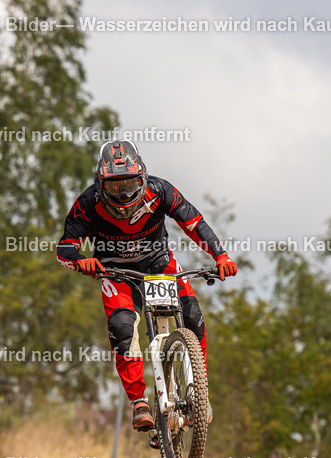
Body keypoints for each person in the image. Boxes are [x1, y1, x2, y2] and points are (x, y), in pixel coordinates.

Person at [56, 140, 237, 429]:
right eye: (115, 186)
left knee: (193, 316)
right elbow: (64, 247)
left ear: (143, 177)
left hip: (159, 264)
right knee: (122, 327)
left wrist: (220, 254)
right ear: (100, 184)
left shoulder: (160, 190)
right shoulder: (87, 203)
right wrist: (81, 261)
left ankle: (199, 391)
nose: (124, 192)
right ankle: (138, 401)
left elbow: (194, 223)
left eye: (130, 183)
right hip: (115, 272)